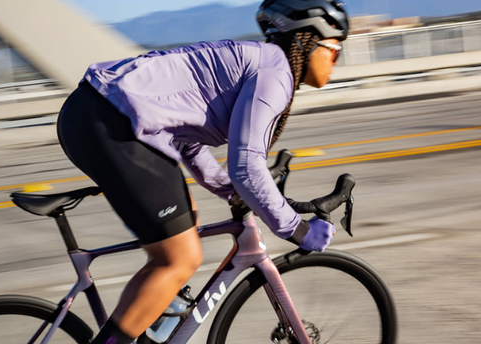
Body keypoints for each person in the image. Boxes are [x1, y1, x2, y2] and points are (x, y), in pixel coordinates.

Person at [55, 0, 349, 342]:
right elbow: (247, 165)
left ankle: (147, 328)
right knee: (181, 257)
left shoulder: (258, 61)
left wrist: (230, 190)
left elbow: (188, 143)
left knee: (183, 227)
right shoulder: (275, 72)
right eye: (335, 49)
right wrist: (296, 230)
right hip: (110, 123)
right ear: (307, 42)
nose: (336, 60)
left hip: (91, 113)